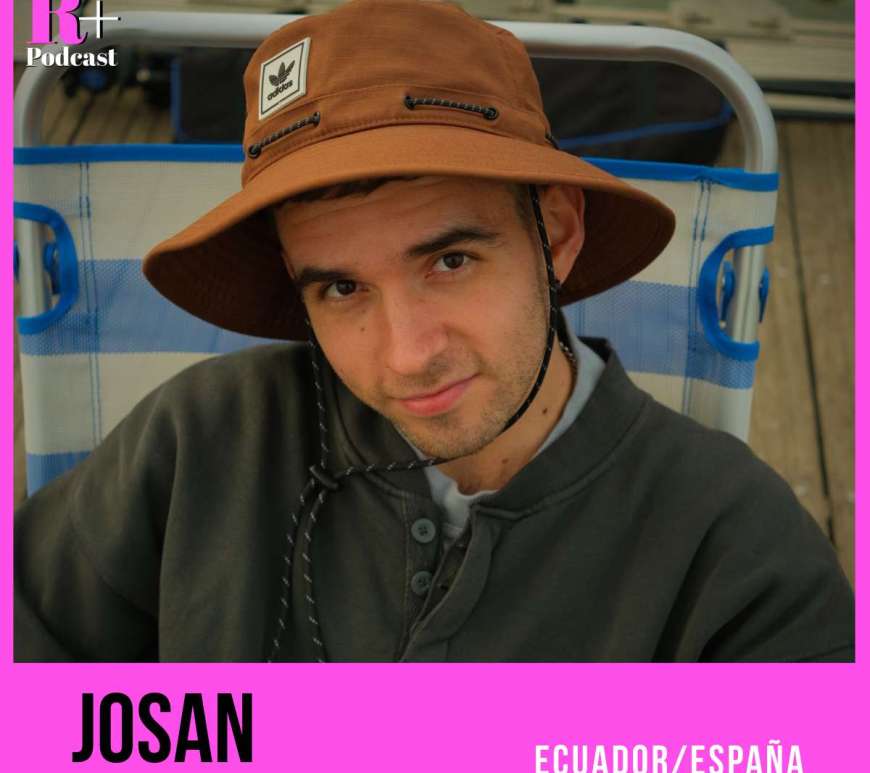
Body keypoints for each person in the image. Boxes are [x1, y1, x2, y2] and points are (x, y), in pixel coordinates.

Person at [15, 0, 853, 662]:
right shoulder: (201, 441)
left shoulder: (735, 555)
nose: (408, 354)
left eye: (450, 261)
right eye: (342, 287)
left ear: (558, 234)